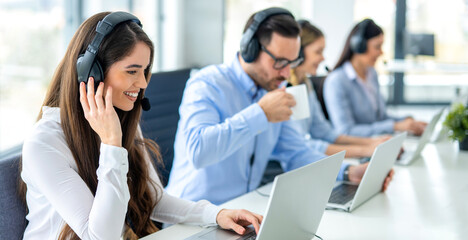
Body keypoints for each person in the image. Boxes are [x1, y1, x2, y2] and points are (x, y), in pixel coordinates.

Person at [20, 11, 262, 240]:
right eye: (132, 71)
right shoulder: (45, 143)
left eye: (145, 70)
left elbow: (154, 200)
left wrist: (216, 214)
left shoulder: (119, 121)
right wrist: (111, 145)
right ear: (91, 73)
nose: (143, 82)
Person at [165, 8, 393, 206]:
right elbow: (198, 151)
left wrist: (348, 172)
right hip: (192, 218)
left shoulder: (274, 90)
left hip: (240, 212)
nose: (286, 73)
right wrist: (260, 113)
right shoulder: (207, 83)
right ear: (250, 48)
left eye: (292, 63)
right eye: (280, 62)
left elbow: (297, 153)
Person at [289, 19, 390, 158]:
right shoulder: (287, 88)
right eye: (318, 52)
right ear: (298, 53)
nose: (323, 58)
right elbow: (300, 145)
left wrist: (371, 143)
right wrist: (364, 150)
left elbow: (324, 133)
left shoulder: (306, 85)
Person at [323, 19, 427, 137]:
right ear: (359, 46)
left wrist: (406, 121)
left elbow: (381, 118)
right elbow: (346, 131)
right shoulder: (337, 81)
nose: (381, 52)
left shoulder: (372, 74)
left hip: (377, 143)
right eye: (377, 47)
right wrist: (394, 126)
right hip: (357, 150)